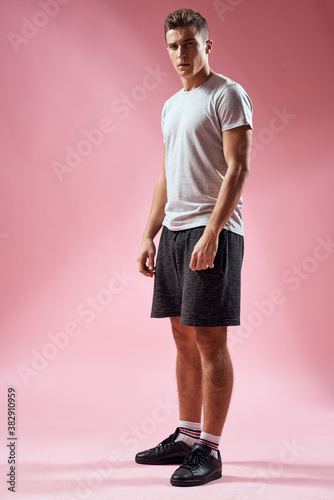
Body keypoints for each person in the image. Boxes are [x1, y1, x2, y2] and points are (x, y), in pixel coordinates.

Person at [136, 8, 253, 487]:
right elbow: (168, 173)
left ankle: (210, 448)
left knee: (210, 340)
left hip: (213, 231)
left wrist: (212, 231)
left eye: (189, 43)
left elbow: (239, 169)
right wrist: (149, 231)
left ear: (207, 44)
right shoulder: (169, 105)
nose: (180, 54)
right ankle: (186, 436)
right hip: (176, 231)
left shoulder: (227, 94)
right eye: (172, 46)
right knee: (182, 336)